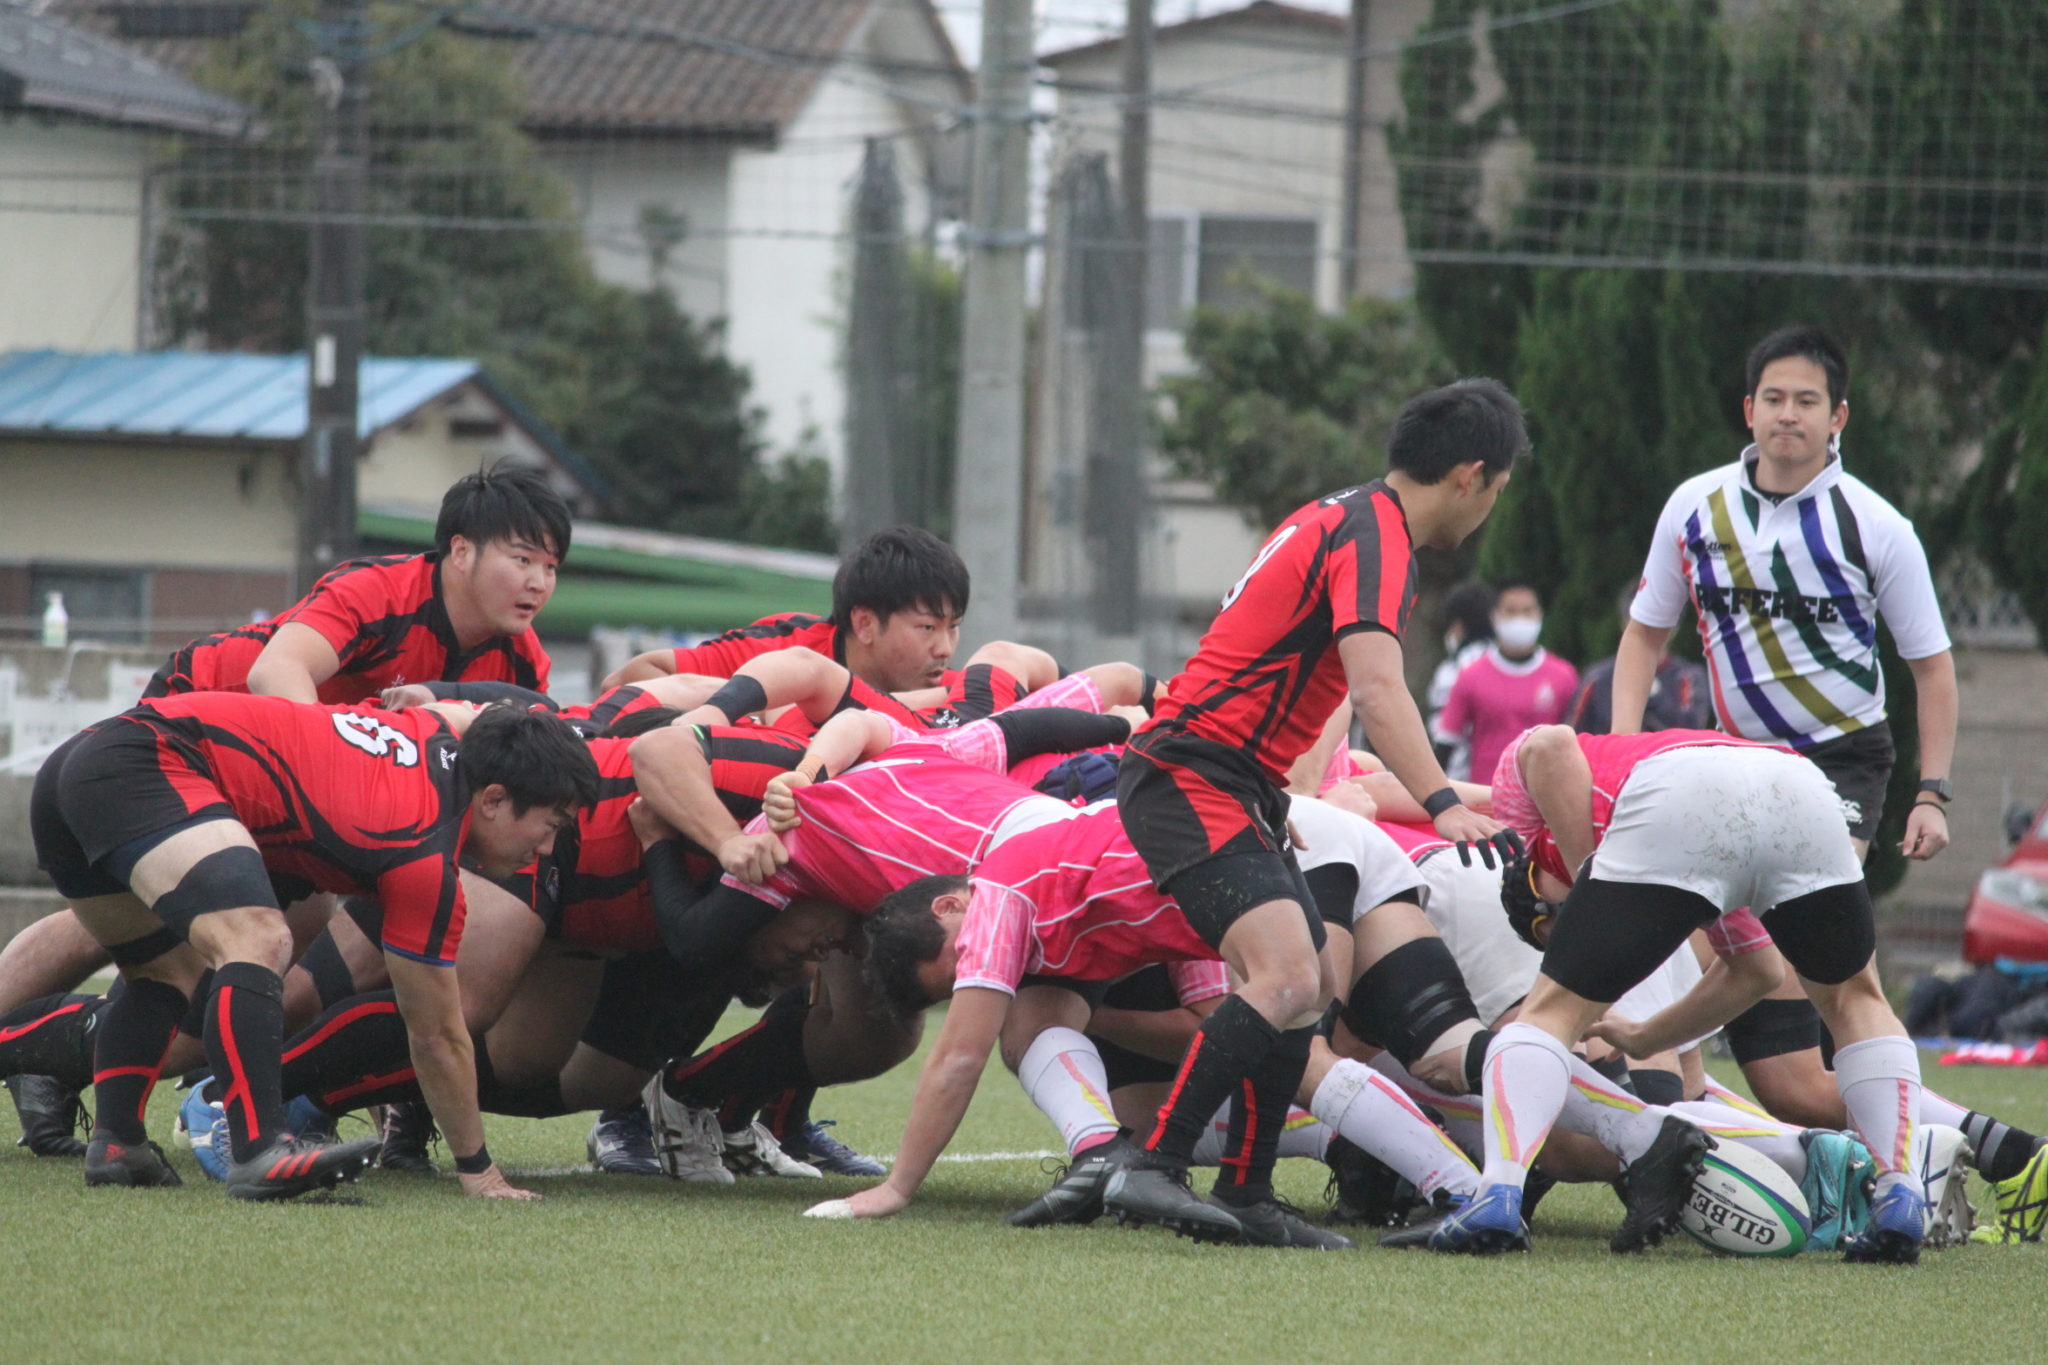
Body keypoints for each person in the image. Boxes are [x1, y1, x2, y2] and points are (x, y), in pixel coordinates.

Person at [1102, 379, 1528, 1249]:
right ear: (1470, 477)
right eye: (1496, 491)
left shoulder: (1347, 516)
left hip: (1232, 780)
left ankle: (1247, 1189)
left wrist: (1268, 790)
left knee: (1312, 987)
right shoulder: (1378, 538)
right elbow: (1376, 688)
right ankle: (1153, 1165)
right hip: (1190, 772)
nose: (1489, 509)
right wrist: (1443, 802)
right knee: (1288, 976)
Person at [29, 695, 597, 1199]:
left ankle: (118, 1144)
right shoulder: (424, 850)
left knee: (165, 975)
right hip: (146, 760)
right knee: (258, 937)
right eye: (550, 825)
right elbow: (437, 1035)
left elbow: (460, 713)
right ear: (493, 799)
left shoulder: (438, 737)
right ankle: (260, 1149)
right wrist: (479, 1171)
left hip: (83, 763)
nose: (548, 849)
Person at [1608, 323, 1959, 1128]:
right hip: (1731, 760)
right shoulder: (1694, 507)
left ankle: (1947, 1140)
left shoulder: (1875, 525)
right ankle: (1720, 1116)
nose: (1789, 414)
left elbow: (1932, 667)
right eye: (1774, 398)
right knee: (1722, 968)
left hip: (1840, 763)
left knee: (1827, 965)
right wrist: (1626, 749)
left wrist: (1932, 794)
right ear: (1748, 409)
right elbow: (1644, 635)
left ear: (1839, 417)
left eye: (1807, 400)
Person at [1431, 724, 1931, 1263]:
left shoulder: (1532, 840)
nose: (1555, 937)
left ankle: (1497, 1194)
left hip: (1681, 792)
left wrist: (1585, 882)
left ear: (1532, 879)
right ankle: (1900, 1192)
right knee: (1857, 1000)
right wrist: (1647, 1037)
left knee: (1549, 1011)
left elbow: (1547, 744)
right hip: (1798, 788)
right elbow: (1756, 971)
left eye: (1544, 926)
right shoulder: (1676, 849)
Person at [1433, 584, 1578, 788]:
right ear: (1494, 617)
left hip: (1547, 795)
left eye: (1527, 611)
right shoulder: (1470, 676)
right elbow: (1446, 744)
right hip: (1487, 794)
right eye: (1511, 611)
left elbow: (1579, 740)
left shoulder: (1564, 676)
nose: (1520, 619)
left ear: (1539, 615)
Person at [1567, 584, 1712, 734]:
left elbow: (1693, 730)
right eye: (1641, 622)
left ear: (1675, 625)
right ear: (1625, 624)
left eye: (1661, 620)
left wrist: (1655, 696)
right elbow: (1574, 733)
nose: (1652, 628)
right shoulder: (1597, 678)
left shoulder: (1689, 677)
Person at [1427, 580, 1496, 779]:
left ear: (1458, 624)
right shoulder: (1502, 662)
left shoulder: (1455, 669)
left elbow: (1444, 730)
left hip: (1460, 772)